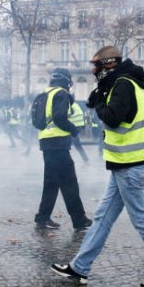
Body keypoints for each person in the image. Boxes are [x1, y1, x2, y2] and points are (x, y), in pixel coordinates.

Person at [51, 46, 144, 287]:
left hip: (130, 164)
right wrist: (100, 92)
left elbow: (112, 117)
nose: (92, 70)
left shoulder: (123, 84)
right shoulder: (120, 82)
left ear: (108, 64)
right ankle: (80, 267)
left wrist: (100, 101)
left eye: (96, 65)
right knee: (102, 217)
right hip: (124, 163)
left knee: (143, 220)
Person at [33, 68, 92, 231]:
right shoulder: (61, 94)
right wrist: (73, 130)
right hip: (58, 143)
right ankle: (79, 220)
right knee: (69, 183)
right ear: (65, 80)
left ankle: (42, 218)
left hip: (46, 142)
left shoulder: (44, 93)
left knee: (51, 183)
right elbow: (59, 117)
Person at [68, 99, 90, 164]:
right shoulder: (74, 104)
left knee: (71, 143)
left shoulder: (68, 105)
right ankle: (85, 159)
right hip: (78, 126)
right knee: (76, 144)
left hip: (75, 126)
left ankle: (85, 159)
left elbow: (67, 115)